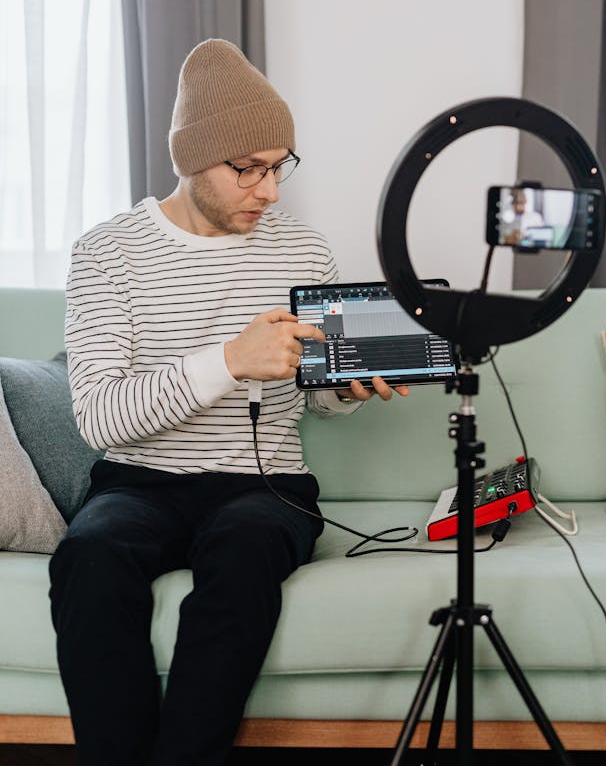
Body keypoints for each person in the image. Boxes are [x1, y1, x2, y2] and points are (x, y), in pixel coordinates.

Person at [49, 39, 409, 766]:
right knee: (89, 557)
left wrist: (344, 387)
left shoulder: (305, 252)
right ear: (191, 159)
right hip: (138, 483)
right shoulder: (106, 253)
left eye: (279, 168)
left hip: (265, 486)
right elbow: (99, 417)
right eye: (247, 169)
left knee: (244, 551)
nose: (269, 191)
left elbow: (322, 406)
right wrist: (228, 362)